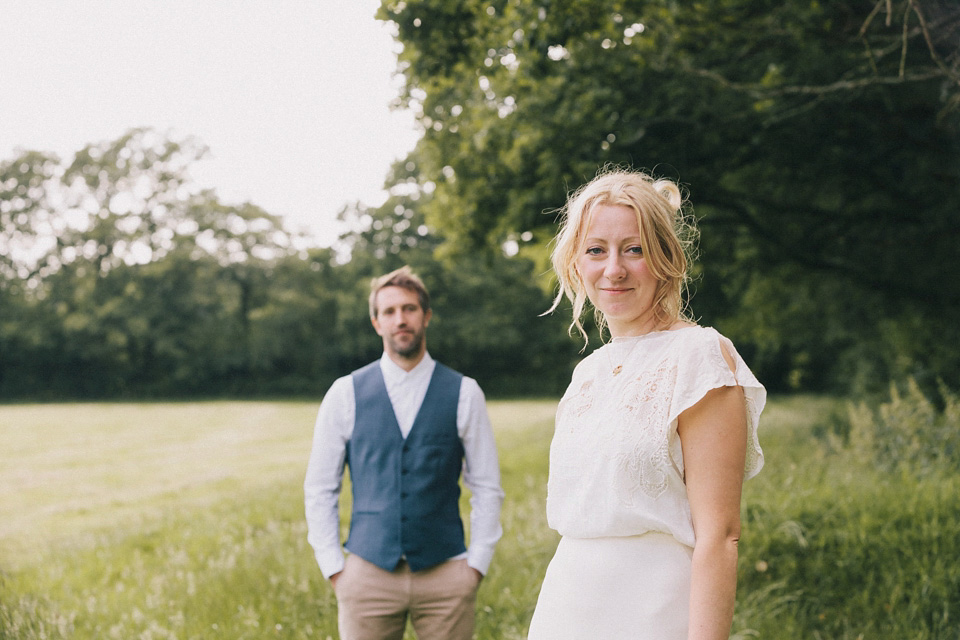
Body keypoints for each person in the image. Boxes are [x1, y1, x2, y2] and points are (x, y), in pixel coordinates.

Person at [527, 168, 765, 640]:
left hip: (653, 614)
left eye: (633, 250)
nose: (613, 268)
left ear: (665, 259)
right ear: (577, 263)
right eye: (596, 250)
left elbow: (720, 537)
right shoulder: (587, 373)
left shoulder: (700, 357)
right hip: (565, 609)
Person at [304, 266, 504, 640]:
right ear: (376, 322)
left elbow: (487, 486)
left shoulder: (465, 392)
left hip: (447, 574)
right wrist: (334, 568)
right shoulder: (344, 393)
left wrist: (476, 565)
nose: (401, 319)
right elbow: (319, 488)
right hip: (366, 574)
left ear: (426, 316)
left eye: (409, 309)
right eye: (390, 311)